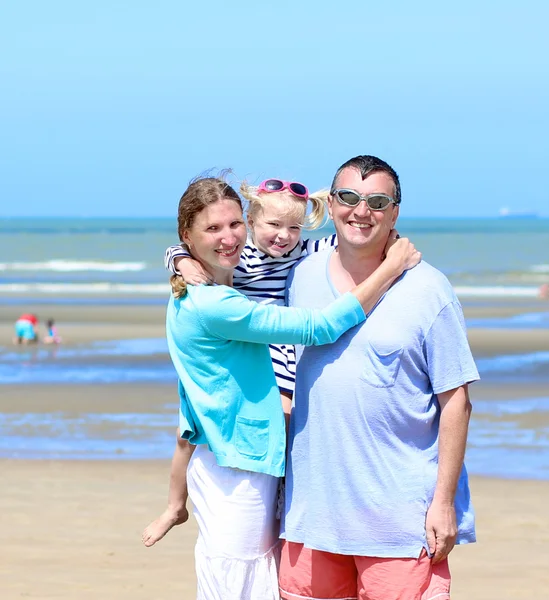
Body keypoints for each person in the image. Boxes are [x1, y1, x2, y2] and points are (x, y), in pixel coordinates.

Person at [147, 174, 420, 599]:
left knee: (251, 574)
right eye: (214, 229)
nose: (229, 238)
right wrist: (391, 267)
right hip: (238, 461)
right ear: (187, 235)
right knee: (239, 581)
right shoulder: (217, 302)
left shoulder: (207, 283)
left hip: (232, 451)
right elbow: (321, 325)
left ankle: (175, 507)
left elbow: (341, 243)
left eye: (233, 224)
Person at [279, 156, 480, 600]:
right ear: (331, 205)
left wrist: (443, 503)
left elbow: (457, 403)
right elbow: (228, 256)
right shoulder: (300, 276)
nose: (360, 211)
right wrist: (177, 259)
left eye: (377, 201)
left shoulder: (429, 290)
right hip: (311, 519)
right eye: (349, 197)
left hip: (398, 524)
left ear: (395, 212)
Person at [143, 179, 342, 548]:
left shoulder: (304, 250)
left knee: (285, 416)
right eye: (273, 226)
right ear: (252, 221)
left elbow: (349, 240)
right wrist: (183, 261)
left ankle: (285, 499)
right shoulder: (241, 253)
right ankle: (174, 505)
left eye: (293, 227)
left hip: (276, 343)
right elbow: (176, 248)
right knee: (186, 435)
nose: (283, 237)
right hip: (251, 339)